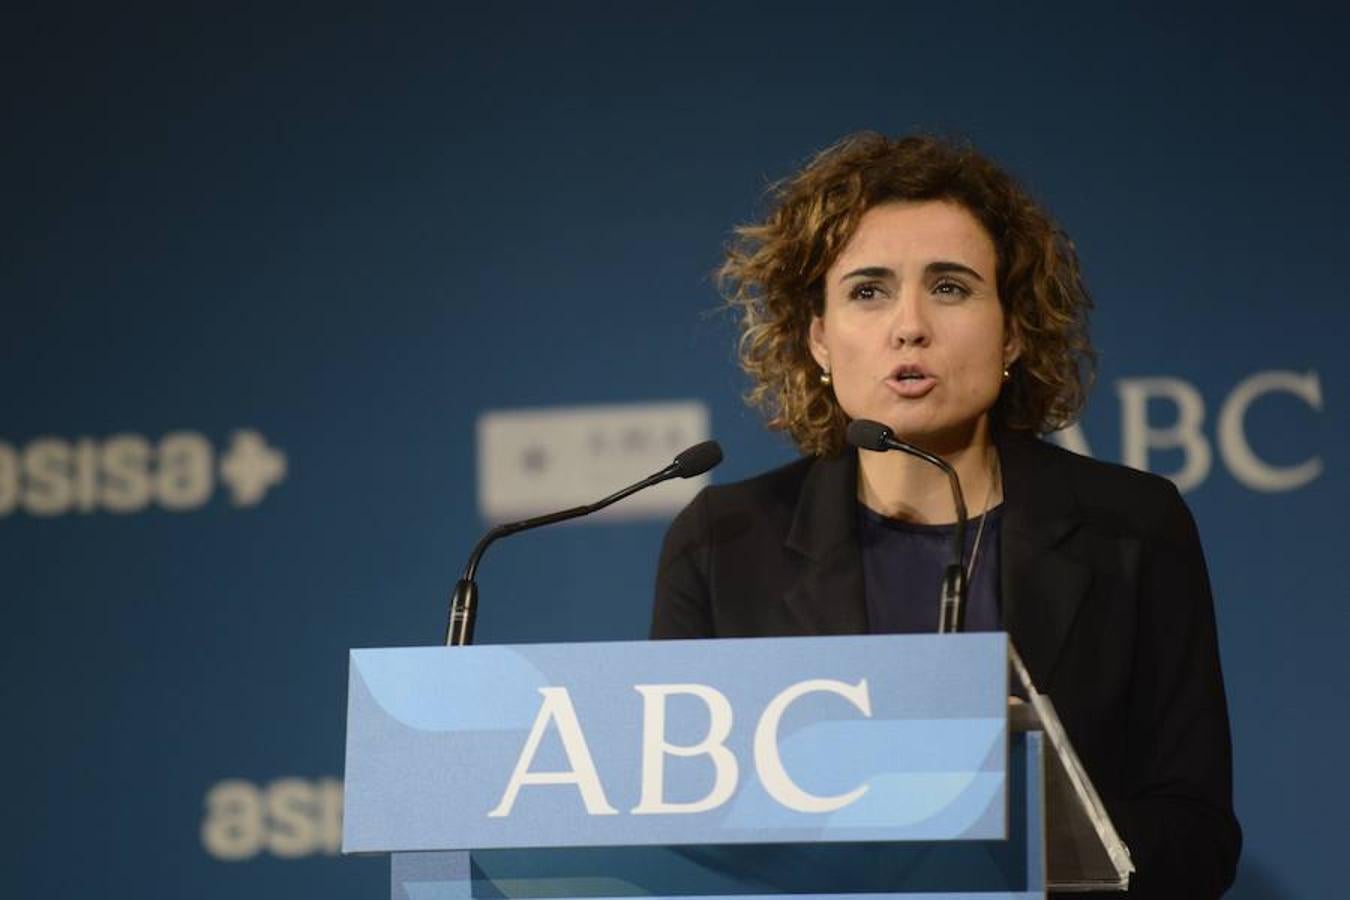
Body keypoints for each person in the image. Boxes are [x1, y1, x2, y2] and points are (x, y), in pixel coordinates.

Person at [651, 133, 1241, 898]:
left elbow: (1197, 836)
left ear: (1014, 331)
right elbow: (679, 835)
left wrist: (1029, 804)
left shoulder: (1132, 527)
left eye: (951, 288)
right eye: (868, 290)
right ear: (818, 339)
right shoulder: (723, 543)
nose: (910, 326)